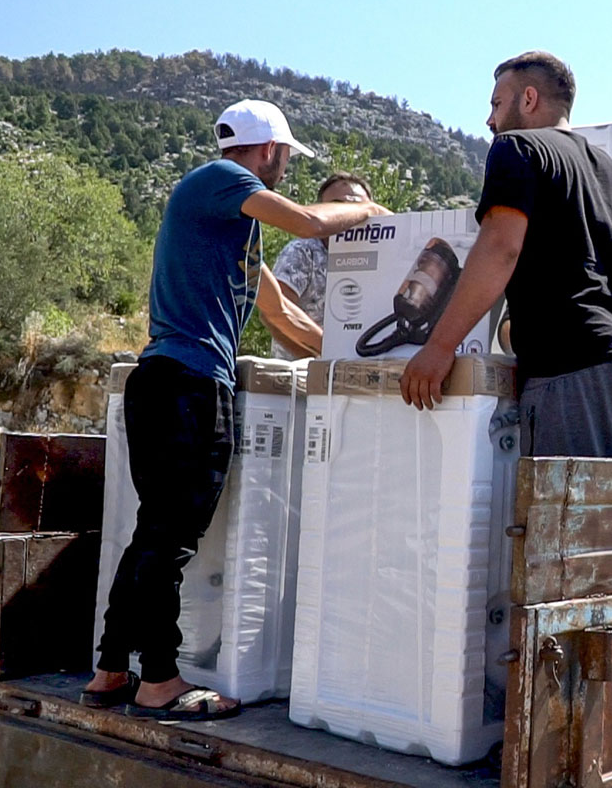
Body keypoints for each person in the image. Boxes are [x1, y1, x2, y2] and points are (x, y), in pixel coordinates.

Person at [80, 99, 390, 720]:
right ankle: (160, 681)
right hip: (187, 385)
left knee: (153, 532)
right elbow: (306, 222)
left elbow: (286, 320)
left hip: (171, 384)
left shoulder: (234, 232)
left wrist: (359, 364)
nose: (283, 170)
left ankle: (112, 669)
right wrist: (369, 212)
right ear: (271, 150)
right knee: (171, 538)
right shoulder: (220, 179)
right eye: (284, 159)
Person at [399, 52, 612, 460]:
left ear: (528, 99)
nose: (489, 120)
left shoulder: (516, 148)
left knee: (566, 521)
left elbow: (500, 247)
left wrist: (438, 348)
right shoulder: (607, 169)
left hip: (573, 375)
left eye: (496, 104)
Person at [270, 171, 374, 358]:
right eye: (336, 206)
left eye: (357, 206)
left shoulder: (384, 258)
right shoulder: (303, 252)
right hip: (301, 378)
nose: (347, 213)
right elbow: (274, 314)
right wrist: (317, 364)